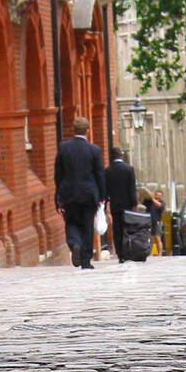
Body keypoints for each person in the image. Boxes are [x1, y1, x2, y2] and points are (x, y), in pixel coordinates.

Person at [55, 116, 105, 270]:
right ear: (87, 131)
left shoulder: (63, 148)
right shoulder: (94, 150)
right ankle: (85, 260)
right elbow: (99, 175)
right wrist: (102, 197)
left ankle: (74, 244)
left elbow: (58, 174)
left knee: (71, 223)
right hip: (89, 195)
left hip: (69, 193)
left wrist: (59, 195)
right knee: (87, 226)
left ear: (73, 130)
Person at [104, 147, 138, 263]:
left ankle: (120, 254)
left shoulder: (108, 171)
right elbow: (132, 189)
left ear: (111, 157)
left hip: (115, 205)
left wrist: (106, 204)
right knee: (127, 228)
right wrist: (134, 204)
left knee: (117, 229)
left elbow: (106, 190)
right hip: (127, 205)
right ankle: (128, 251)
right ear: (121, 156)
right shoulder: (129, 169)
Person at [151, 188, 166, 256]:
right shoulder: (151, 202)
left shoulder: (162, 203)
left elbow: (159, 205)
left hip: (157, 222)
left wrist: (152, 199)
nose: (158, 197)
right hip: (149, 222)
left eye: (160, 195)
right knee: (149, 238)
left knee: (158, 238)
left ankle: (160, 253)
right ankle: (150, 252)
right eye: (157, 195)